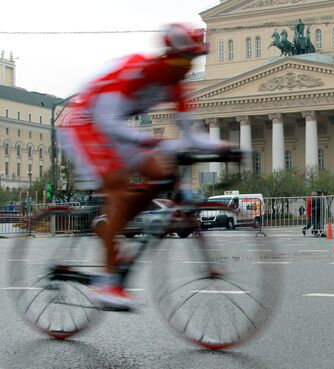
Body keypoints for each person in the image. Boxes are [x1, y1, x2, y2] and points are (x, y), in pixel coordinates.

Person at [58, 23, 228, 311]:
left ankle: (111, 222)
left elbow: (191, 134)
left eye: (193, 61)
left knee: (162, 173)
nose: (188, 67)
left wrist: (223, 148)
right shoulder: (138, 69)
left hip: (114, 128)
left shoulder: (176, 85)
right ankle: (108, 284)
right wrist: (150, 140)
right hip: (85, 123)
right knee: (117, 186)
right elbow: (108, 120)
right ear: (171, 56)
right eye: (186, 60)